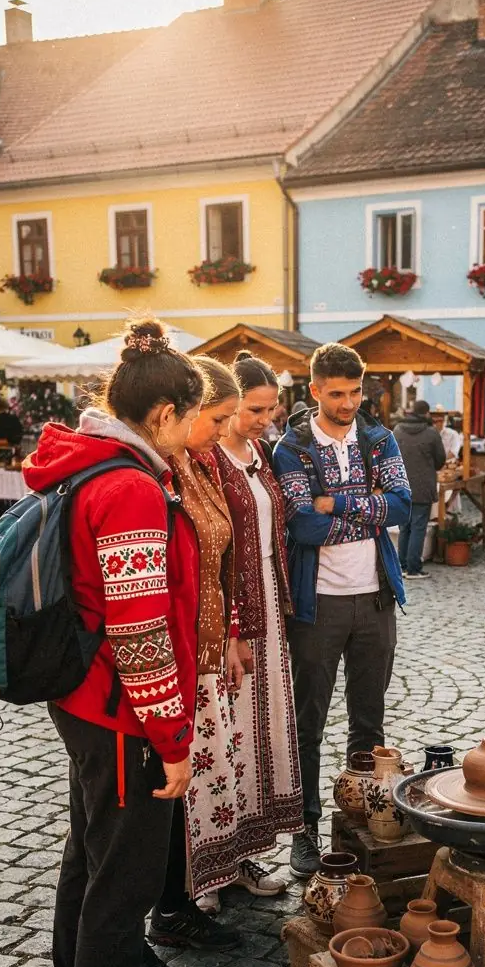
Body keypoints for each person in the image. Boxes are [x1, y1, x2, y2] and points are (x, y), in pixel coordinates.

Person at [24, 317, 203, 967]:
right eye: (191, 418)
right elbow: (140, 632)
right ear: (163, 414)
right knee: (121, 886)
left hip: (85, 700)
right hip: (124, 717)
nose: (193, 434)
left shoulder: (88, 463)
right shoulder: (128, 486)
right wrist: (173, 739)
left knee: (89, 856)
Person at [273, 342, 411, 877]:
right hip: (318, 604)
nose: (349, 403)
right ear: (314, 391)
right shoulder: (292, 448)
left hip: (376, 598)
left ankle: (361, 820)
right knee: (307, 724)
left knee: (369, 721)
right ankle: (304, 829)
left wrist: (338, 503)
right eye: (336, 394)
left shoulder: (379, 439)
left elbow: (403, 505)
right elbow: (303, 525)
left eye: (355, 392)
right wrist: (369, 510)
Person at [148, 357, 249, 942]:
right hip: (178, 655)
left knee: (198, 785)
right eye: (216, 418)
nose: (223, 429)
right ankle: (169, 906)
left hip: (204, 650)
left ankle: (184, 896)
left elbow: (217, 564)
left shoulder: (198, 465)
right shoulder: (164, 474)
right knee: (174, 790)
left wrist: (230, 633)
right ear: (181, 415)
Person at [211, 350, 303, 895]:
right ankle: (210, 868)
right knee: (227, 736)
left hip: (268, 602)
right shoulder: (208, 459)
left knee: (259, 736)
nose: (266, 420)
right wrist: (229, 629)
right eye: (255, 410)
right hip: (230, 613)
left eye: (271, 410)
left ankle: (244, 853)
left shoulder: (261, 454)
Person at [393, 399, 446, 578]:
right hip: (423, 487)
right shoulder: (431, 433)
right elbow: (440, 460)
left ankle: (402, 566)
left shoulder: (397, 430)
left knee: (404, 528)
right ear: (426, 413)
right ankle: (413, 568)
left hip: (401, 487)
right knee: (418, 528)